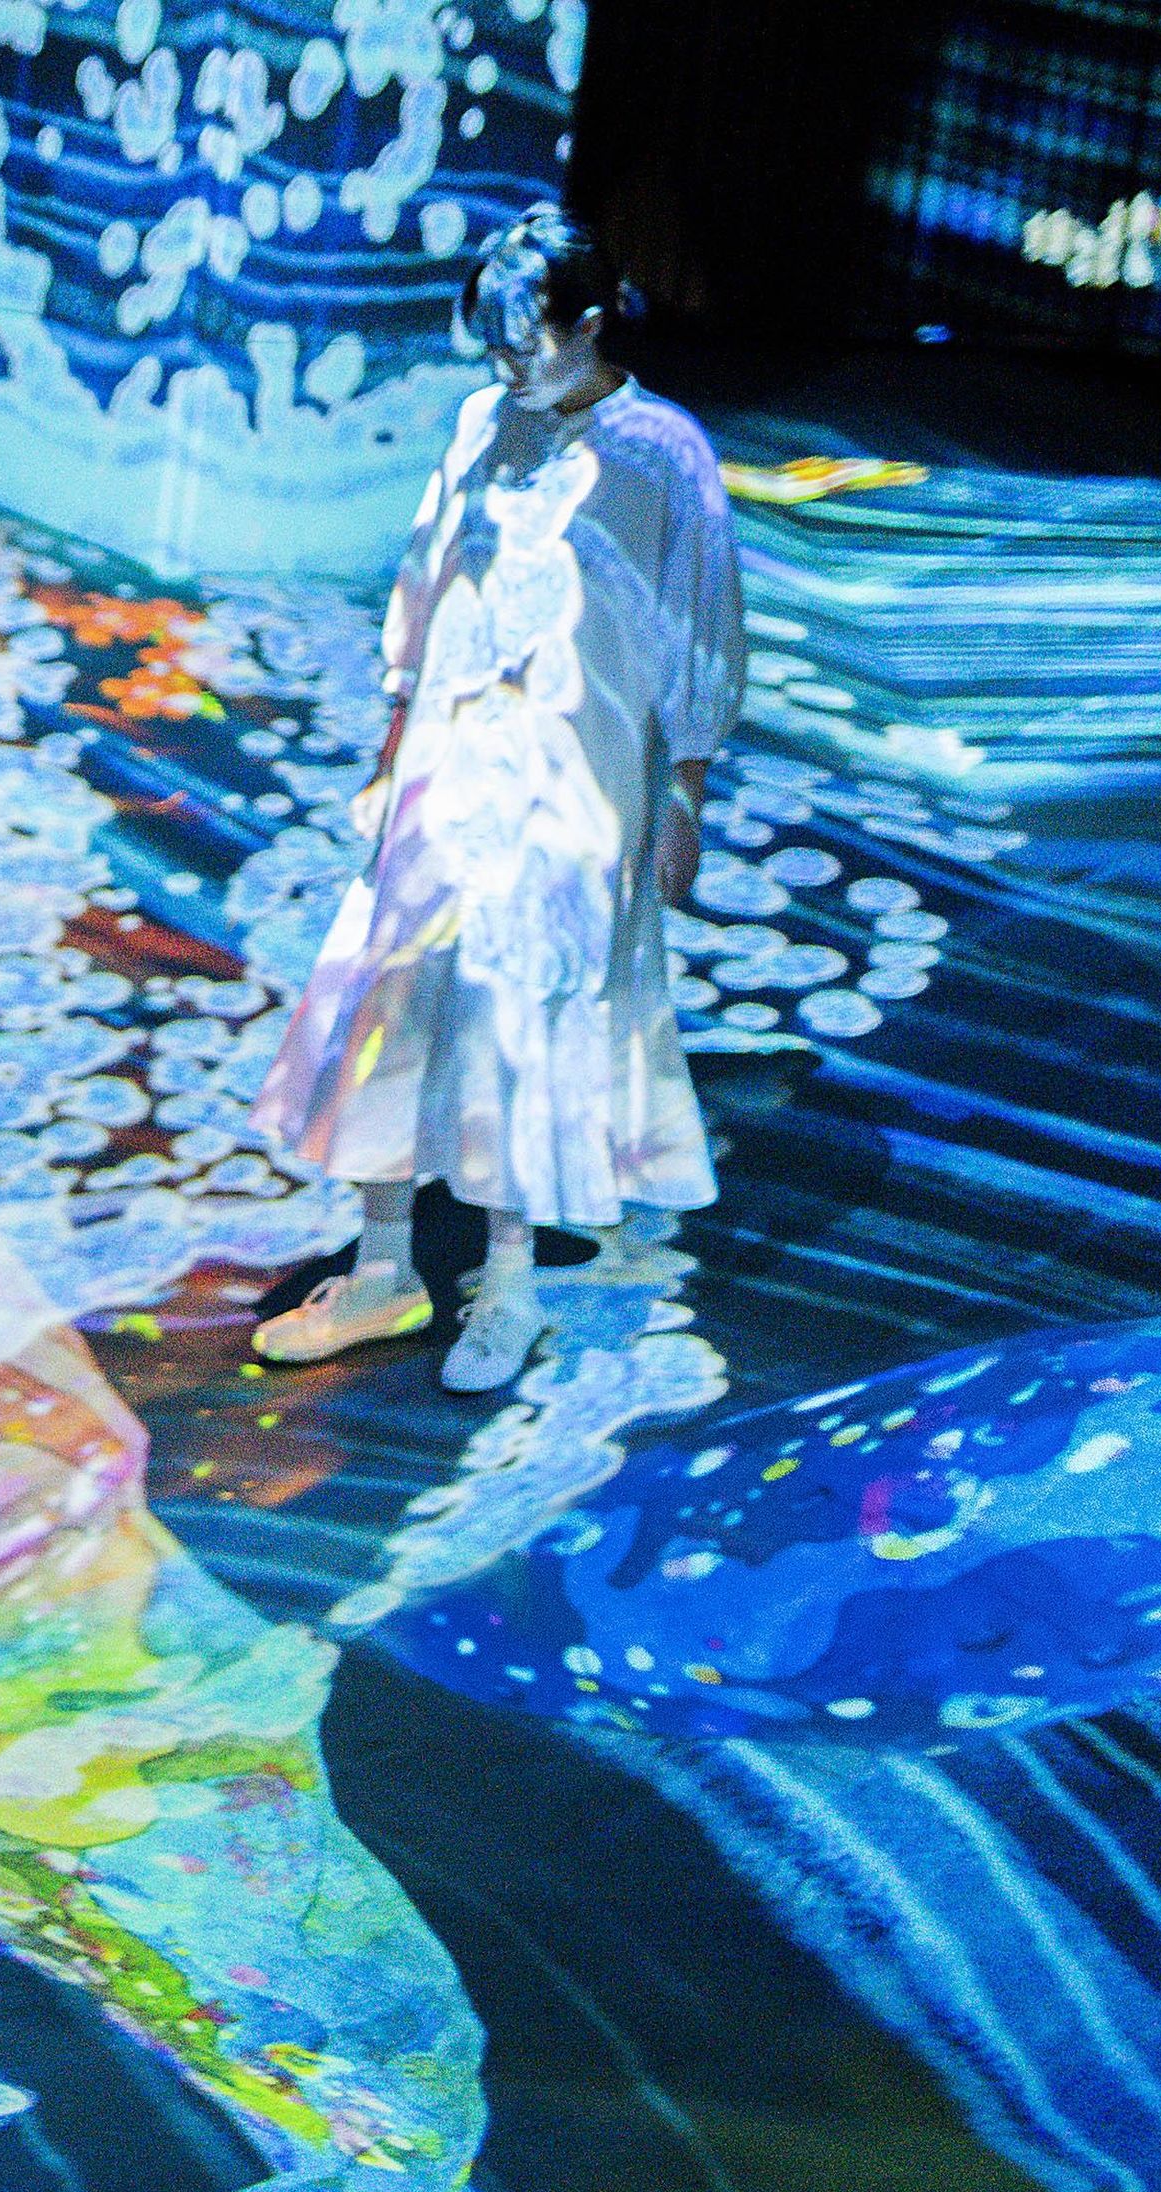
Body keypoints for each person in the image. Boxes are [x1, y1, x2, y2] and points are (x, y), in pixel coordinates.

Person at [245, 205, 742, 1394]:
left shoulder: (662, 452)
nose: (507, 368)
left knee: (523, 1019)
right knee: (390, 990)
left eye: (526, 344)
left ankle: (508, 1285)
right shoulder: (482, 422)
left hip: (577, 781)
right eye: (493, 347)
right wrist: (392, 745)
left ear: (589, 324)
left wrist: (684, 794)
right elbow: (427, 581)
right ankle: (384, 1266)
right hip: (450, 762)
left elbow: (701, 629)